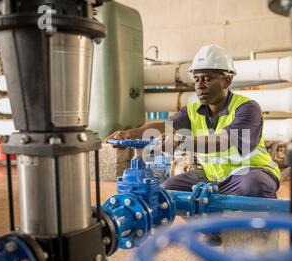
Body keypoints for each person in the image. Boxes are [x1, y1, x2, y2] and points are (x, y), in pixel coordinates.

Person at [107, 44, 280, 199]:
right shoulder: (192, 111)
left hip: (251, 173)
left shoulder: (247, 108)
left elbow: (223, 141)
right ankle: (212, 232)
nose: (200, 85)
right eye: (196, 79)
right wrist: (130, 133)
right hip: (214, 178)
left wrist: (182, 141)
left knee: (253, 186)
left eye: (207, 78)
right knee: (169, 191)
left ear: (227, 80)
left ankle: (258, 229)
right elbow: (164, 126)